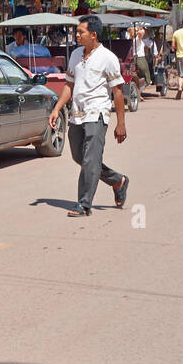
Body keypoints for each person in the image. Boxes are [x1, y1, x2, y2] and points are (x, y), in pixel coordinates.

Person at [49, 16, 129, 218]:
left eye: (80, 32)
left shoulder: (107, 57)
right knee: (80, 157)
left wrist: (121, 124)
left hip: (98, 112)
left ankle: (84, 205)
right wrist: (57, 108)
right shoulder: (76, 54)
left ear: (93, 35)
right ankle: (117, 180)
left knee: (91, 160)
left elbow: (118, 92)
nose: (76, 35)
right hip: (77, 114)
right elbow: (69, 84)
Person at [172, 17, 183, 100]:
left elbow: (173, 46)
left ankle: (179, 88)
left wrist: (178, 48)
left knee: (181, 74)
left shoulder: (176, 33)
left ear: (182, 24)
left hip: (180, 55)